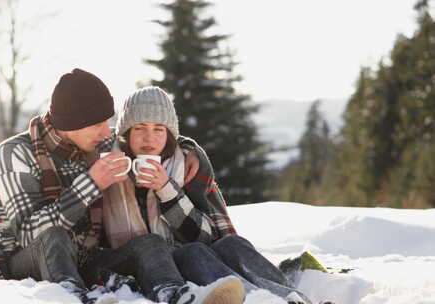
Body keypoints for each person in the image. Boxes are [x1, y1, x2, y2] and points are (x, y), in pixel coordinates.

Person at [0, 68, 242, 304]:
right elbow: (29, 234)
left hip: (88, 260)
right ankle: (75, 299)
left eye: (108, 122)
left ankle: (175, 295)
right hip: (26, 260)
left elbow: (143, 135)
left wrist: (190, 151)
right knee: (55, 238)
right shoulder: (15, 153)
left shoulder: (94, 142)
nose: (107, 132)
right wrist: (90, 184)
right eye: (98, 124)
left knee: (148, 244)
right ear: (70, 124)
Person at [100, 86, 315, 304]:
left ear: (169, 134)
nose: (149, 138)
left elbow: (208, 237)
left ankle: (292, 298)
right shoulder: (105, 162)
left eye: (159, 129)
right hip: (148, 266)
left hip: (189, 253)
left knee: (232, 244)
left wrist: (167, 190)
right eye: (139, 128)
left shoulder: (184, 164)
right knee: (193, 252)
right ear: (125, 132)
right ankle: (256, 300)